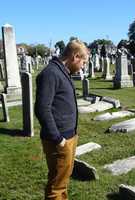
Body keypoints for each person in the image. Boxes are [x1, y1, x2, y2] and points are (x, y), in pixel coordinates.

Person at [35, 39, 89, 200]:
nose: (83, 67)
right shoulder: (50, 73)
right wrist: (58, 139)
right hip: (58, 139)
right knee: (56, 187)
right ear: (75, 57)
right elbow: (42, 109)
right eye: (83, 62)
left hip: (69, 136)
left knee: (62, 181)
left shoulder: (62, 71)